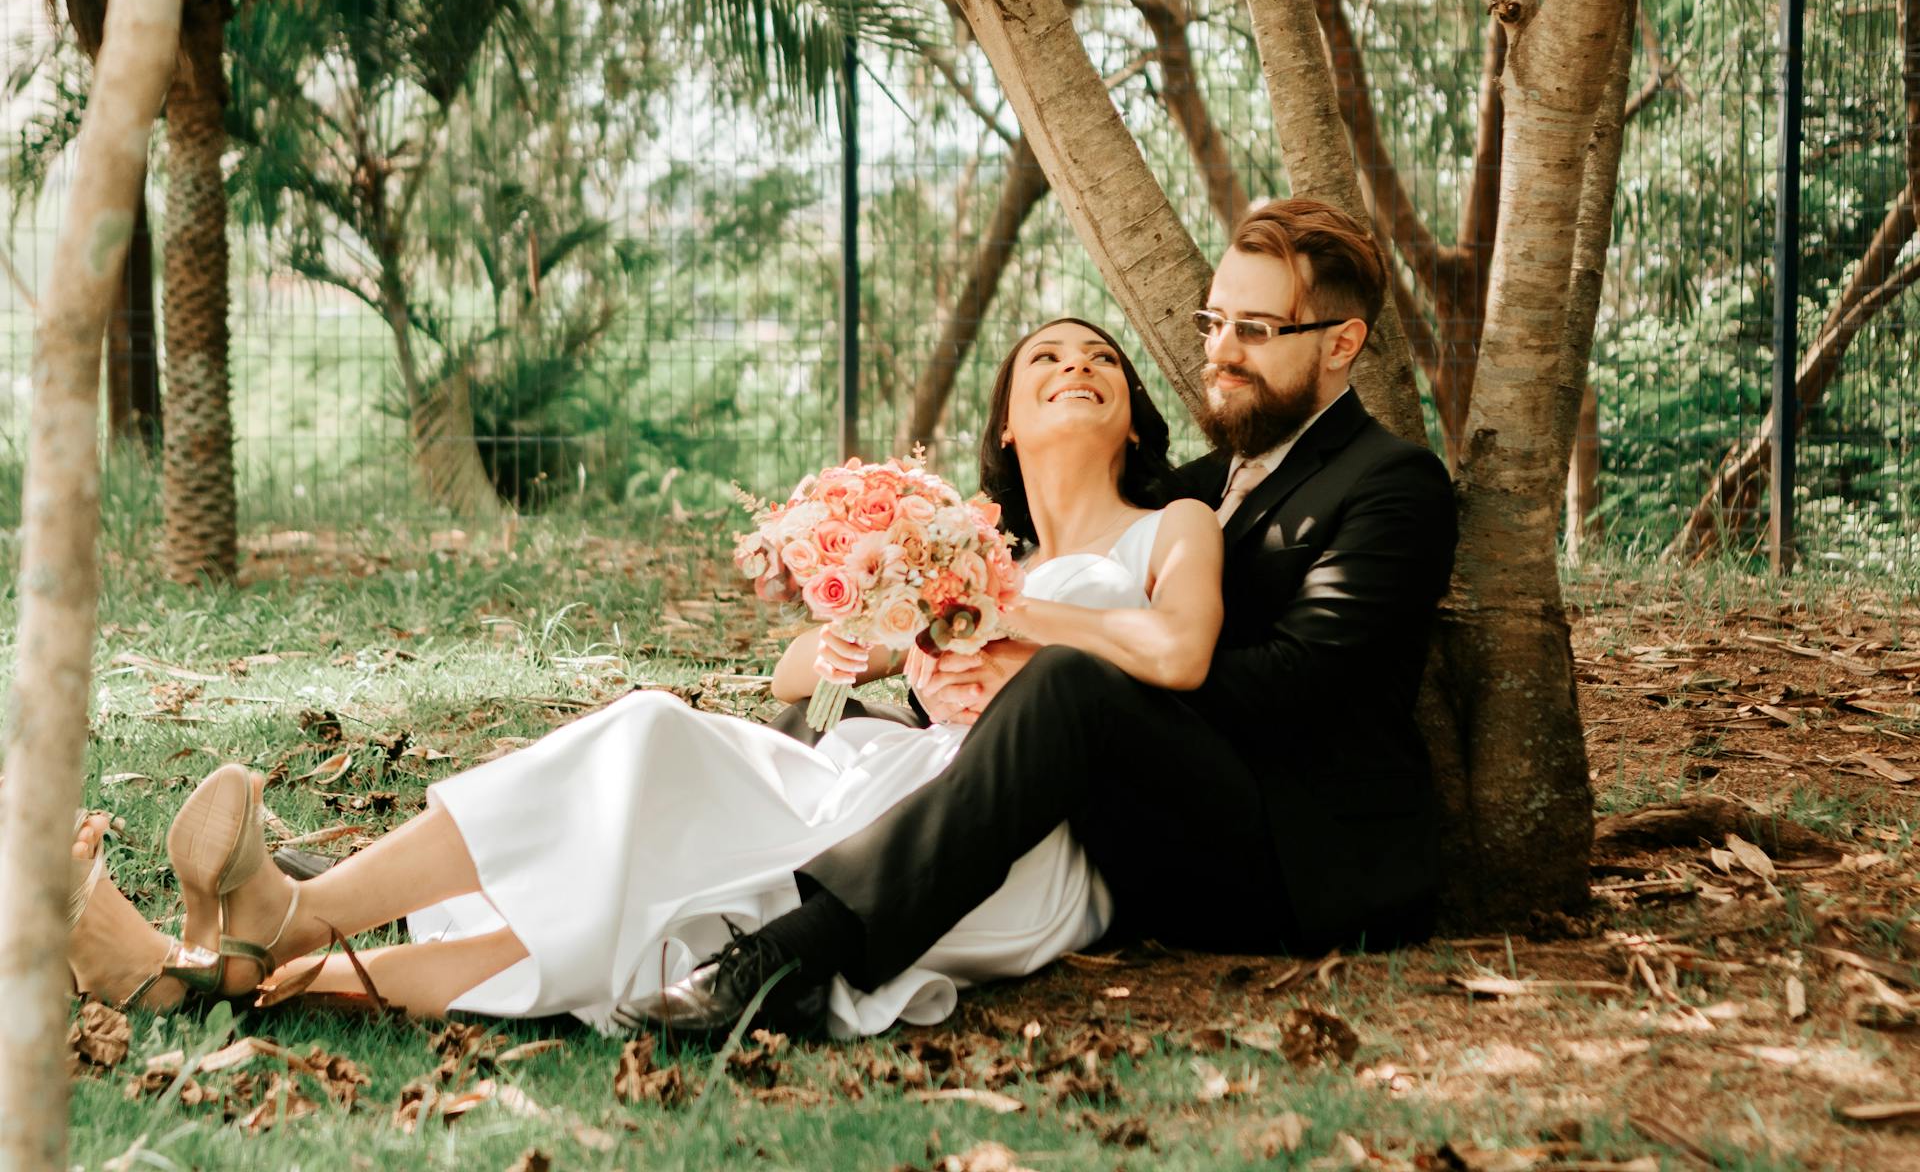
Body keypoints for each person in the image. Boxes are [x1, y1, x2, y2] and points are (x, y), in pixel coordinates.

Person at [56, 318, 1224, 1037]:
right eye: (1047, 360)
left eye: (1103, 359)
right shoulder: (956, 546)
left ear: (1132, 419)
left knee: (674, 877)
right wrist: (868, 631)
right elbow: (800, 683)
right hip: (892, 762)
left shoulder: (1170, 522)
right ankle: (247, 964)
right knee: (649, 740)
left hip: (1002, 840)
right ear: (1008, 429)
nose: (1078, 366)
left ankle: (279, 928)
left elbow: (1178, 654)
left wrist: (1004, 608)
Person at [627, 196, 1457, 1037]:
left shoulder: (1392, 483)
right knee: (832, 721)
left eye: (1255, 329)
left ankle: (800, 958)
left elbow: (1298, 687)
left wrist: (1060, 674)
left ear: (1341, 343)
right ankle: (698, 877)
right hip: (1140, 820)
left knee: (1065, 680)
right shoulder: (1195, 489)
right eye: (1215, 322)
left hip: (1298, 860)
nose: (1219, 352)